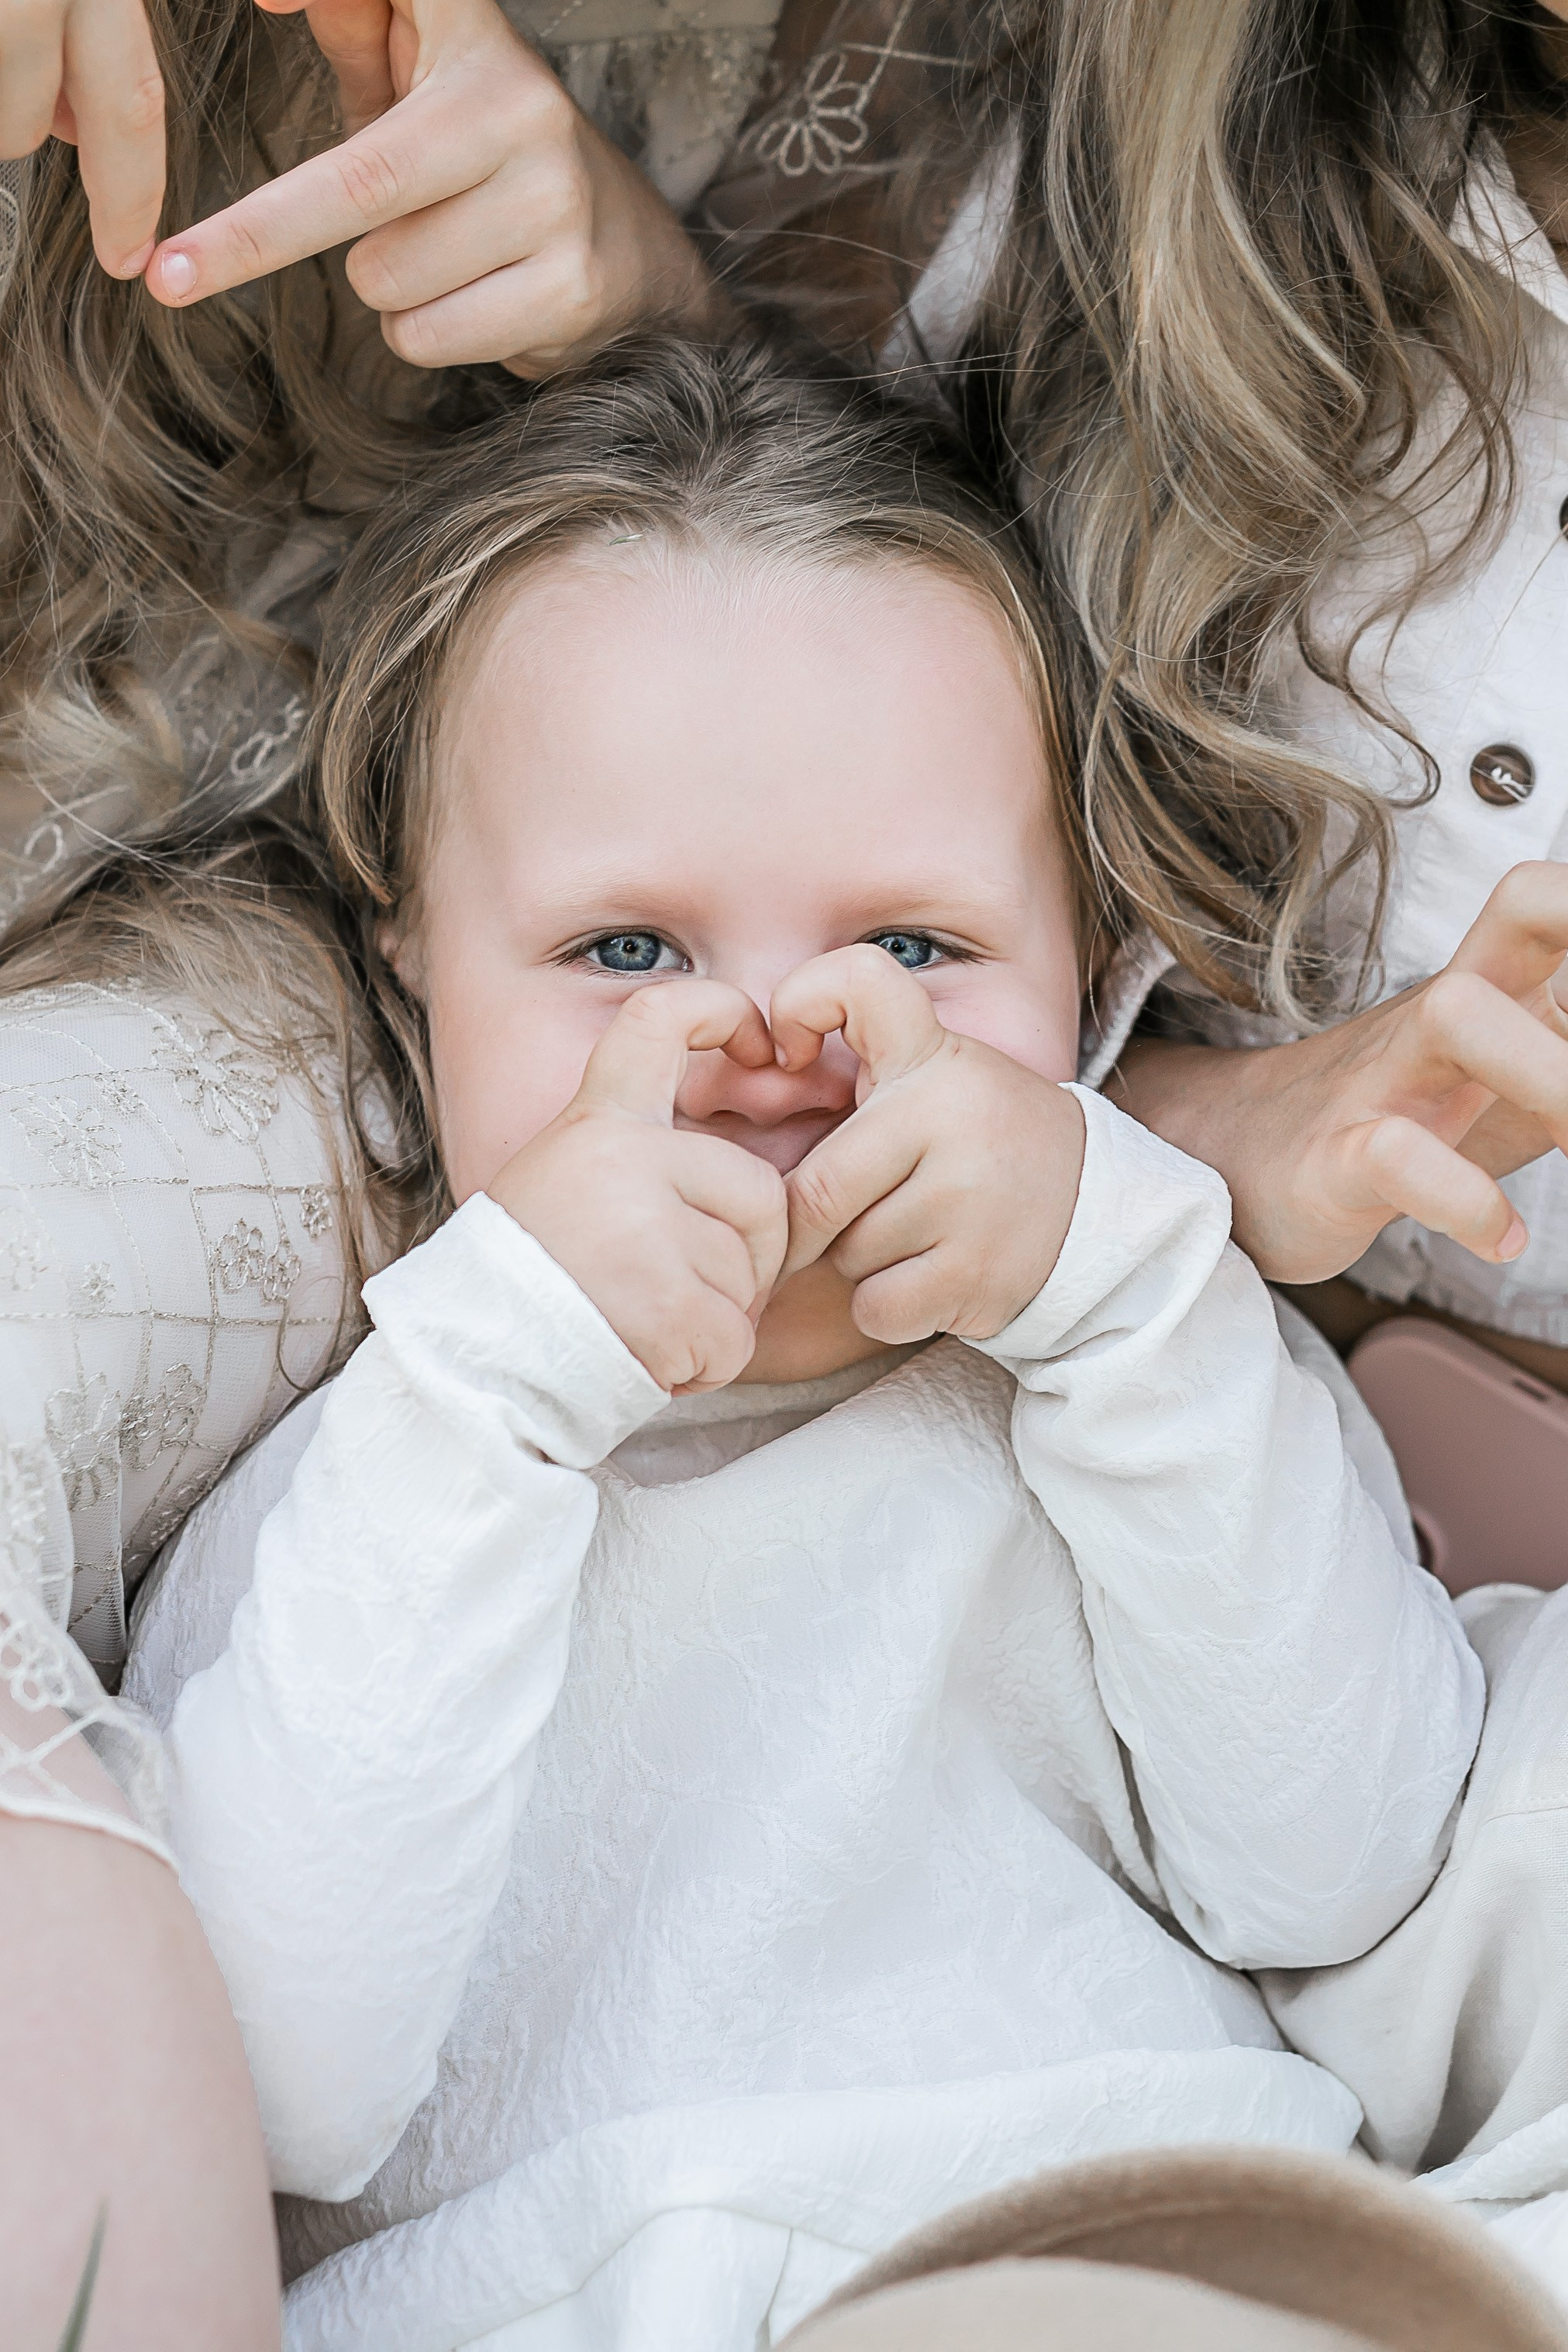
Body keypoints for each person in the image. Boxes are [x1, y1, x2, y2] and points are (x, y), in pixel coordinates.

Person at [120, 330, 1488, 2349]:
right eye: (623, 951)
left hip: (1135, 2247)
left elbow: (1336, 1869)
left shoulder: (1140, 1367)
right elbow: (280, 2089)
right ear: (408, 958)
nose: (772, 1055)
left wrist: (1121, 1283)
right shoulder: (382, 1454)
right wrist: (499, 1369)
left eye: (917, 947)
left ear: (1095, 973)